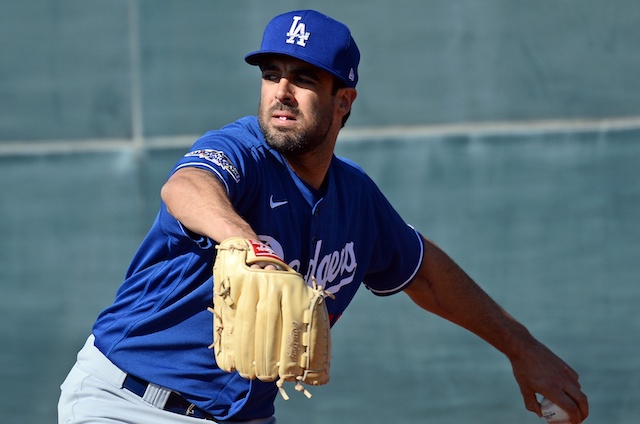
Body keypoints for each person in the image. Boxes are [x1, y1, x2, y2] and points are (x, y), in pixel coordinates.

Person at [58, 9, 589, 424]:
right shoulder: (241, 151)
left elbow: (427, 274)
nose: (281, 92)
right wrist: (245, 243)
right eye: (271, 74)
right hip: (128, 402)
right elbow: (187, 186)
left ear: (343, 101)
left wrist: (523, 349)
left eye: (304, 78)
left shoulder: (355, 199)